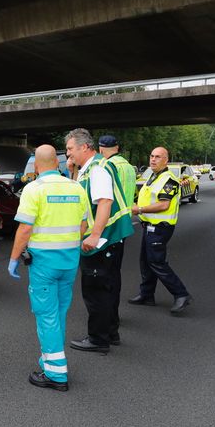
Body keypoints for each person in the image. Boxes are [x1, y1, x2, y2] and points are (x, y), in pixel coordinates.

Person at [7, 145, 88, 392]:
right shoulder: (76, 187)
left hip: (44, 263)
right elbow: (83, 225)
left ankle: (55, 374)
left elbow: (25, 229)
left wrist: (13, 258)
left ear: (37, 166)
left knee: (47, 315)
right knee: (59, 312)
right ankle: (51, 358)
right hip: (70, 261)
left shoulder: (34, 189)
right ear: (58, 163)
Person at [66, 128, 133, 353]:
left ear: (85, 147)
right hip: (111, 238)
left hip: (104, 239)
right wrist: (73, 171)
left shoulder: (98, 168)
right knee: (108, 287)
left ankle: (98, 339)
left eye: (70, 149)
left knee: (95, 291)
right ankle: (110, 333)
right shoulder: (89, 168)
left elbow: (104, 201)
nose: (68, 155)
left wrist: (94, 235)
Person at [129, 147, 192, 314]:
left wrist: (139, 210)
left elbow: (164, 205)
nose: (153, 159)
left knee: (157, 262)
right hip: (149, 226)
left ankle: (181, 294)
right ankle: (147, 295)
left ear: (166, 160)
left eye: (158, 157)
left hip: (160, 228)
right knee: (145, 261)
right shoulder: (153, 177)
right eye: (151, 156)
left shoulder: (169, 179)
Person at [97, 135, 137, 342]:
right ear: (118, 147)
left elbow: (105, 198)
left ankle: (110, 321)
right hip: (125, 222)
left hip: (111, 224)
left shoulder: (107, 166)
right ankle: (114, 316)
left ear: (101, 149)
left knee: (105, 277)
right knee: (115, 273)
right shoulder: (128, 167)